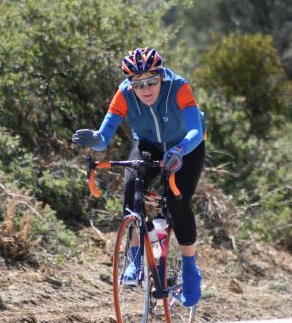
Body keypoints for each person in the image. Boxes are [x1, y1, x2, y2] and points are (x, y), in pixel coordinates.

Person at [72, 47, 205, 306]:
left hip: (186, 146)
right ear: (130, 83)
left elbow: (196, 132)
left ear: (161, 77)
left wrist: (179, 151)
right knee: (132, 190)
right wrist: (95, 140)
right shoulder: (123, 94)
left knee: (178, 203)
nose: (145, 89)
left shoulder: (179, 87)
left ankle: (190, 270)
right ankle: (134, 259)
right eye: (138, 83)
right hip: (148, 144)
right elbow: (103, 138)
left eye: (151, 81)